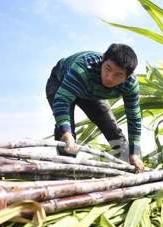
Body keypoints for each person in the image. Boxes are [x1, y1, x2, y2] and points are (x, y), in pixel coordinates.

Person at [45, 43, 144, 172]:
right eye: (108, 69)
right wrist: (67, 134)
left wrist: (134, 153)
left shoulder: (130, 85)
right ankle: (68, 173)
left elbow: (134, 119)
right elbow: (62, 101)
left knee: (112, 129)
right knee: (66, 134)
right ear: (102, 61)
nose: (109, 78)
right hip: (61, 83)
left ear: (127, 76)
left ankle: (131, 170)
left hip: (92, 94)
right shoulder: (83, 67)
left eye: (118, 75)